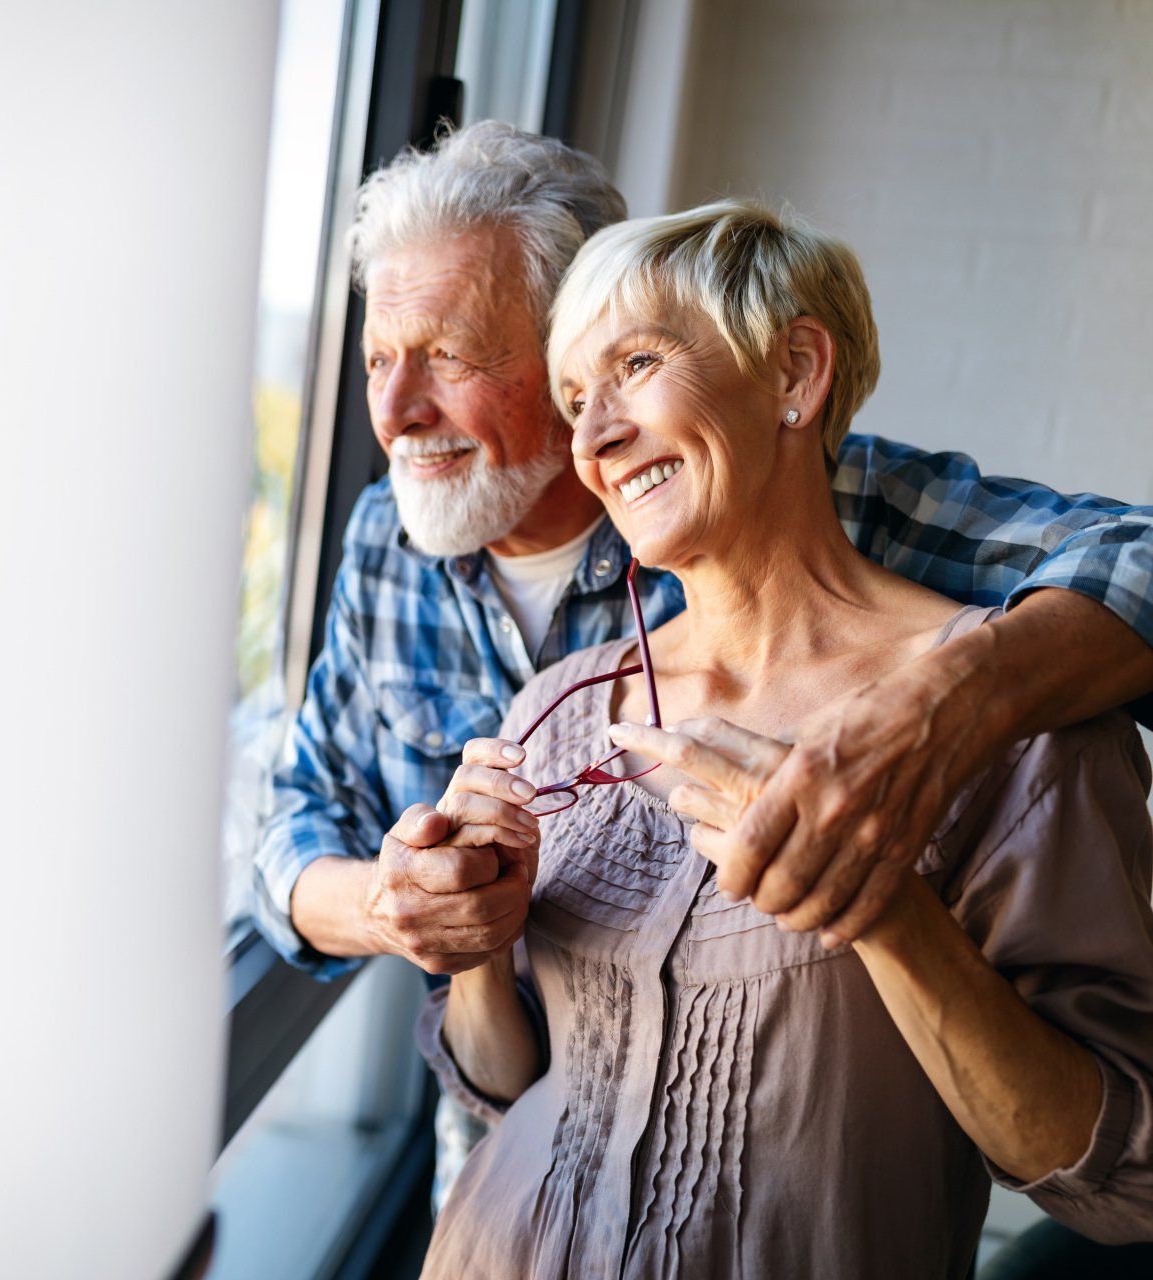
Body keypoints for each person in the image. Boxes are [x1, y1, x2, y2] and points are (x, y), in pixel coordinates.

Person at [247, 122, 1153, 1207]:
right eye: (378, 361)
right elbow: (298, 812)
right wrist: (393, 907)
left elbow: (1135, 560)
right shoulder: (385, 541)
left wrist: (944, 701)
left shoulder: (808, 493)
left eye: (446, 354)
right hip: (488, 1165)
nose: (393, 415)